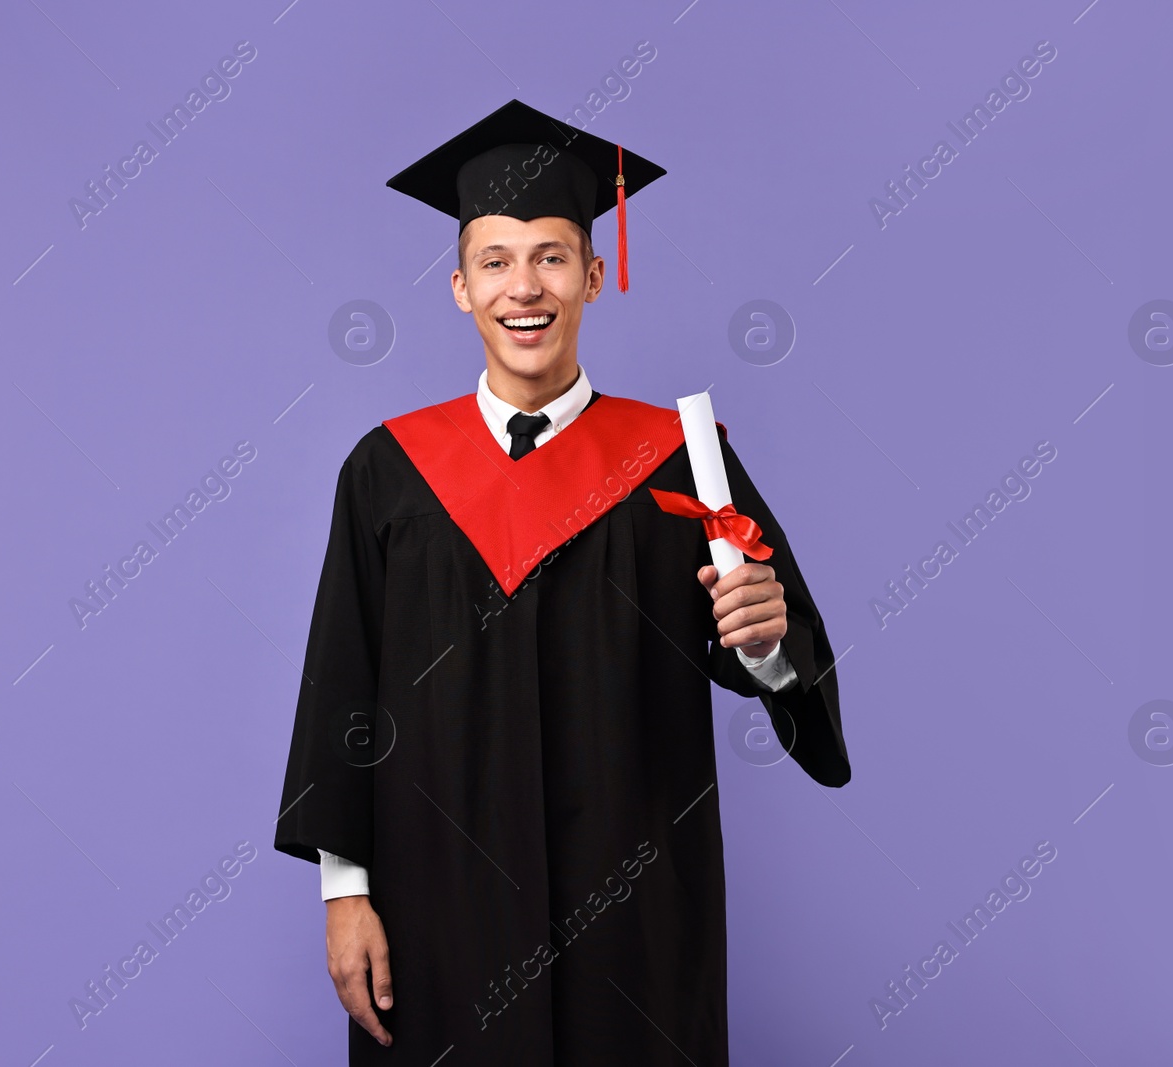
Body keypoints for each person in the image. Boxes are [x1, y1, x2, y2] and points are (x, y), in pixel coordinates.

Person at [274, 98, 850, 1065]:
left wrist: (763, 651)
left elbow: (776, 650)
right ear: (459, 286)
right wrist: (344, 894)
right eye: (496, 261)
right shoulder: (388, 470)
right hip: (438, 902)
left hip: (634, 900)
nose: (523, 287)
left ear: (592, 274)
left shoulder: (677, 459)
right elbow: (345, 684)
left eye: (549, 256)